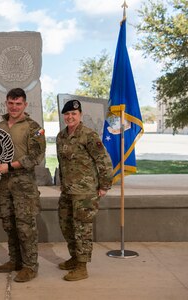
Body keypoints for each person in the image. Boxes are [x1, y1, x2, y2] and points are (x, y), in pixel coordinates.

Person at [0, 88, 46, 282]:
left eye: (18, 103)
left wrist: (10, 167)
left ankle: (30, 266)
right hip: (5, 184)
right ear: (6, 103)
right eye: (11, 103)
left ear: (25, 105)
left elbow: (36, 156)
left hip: (24, 184)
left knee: (25, 226)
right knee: (9, 224)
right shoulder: (1, 125)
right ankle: (15, 261)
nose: (14, 107)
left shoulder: (33, 127)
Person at [56, 99, 113, 281]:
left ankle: (82, 266)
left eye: (74, 114)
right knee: (66, 226)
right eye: (67, 114)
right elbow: (62, 163)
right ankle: (74, 258)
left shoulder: (89, 135)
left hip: (85, 192)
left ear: (80, 115)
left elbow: (103, 160)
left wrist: (104, 185)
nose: (70, 117)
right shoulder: (61, 136)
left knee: (82, 228)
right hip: (67, 191)